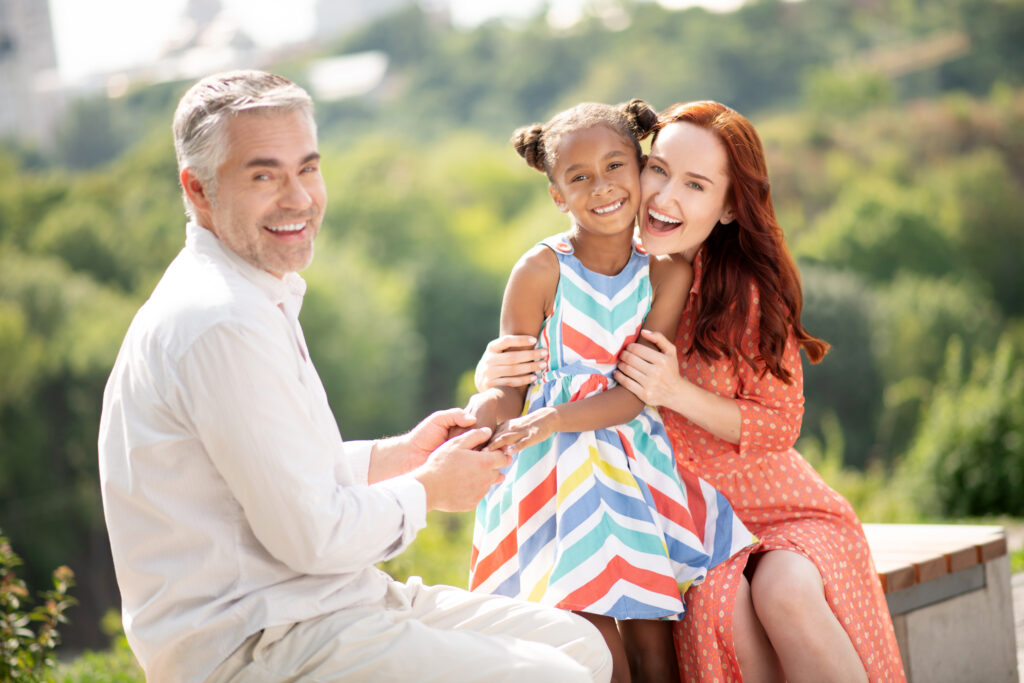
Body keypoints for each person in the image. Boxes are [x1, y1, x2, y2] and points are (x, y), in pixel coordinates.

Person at [97, 70, 613, 683]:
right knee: (556, 677)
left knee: (581, 646)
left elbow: (277, 475)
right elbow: (312, 537)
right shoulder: (221, 320)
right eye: (264, 175)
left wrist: (396, 456)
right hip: (258, 643)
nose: (298, 198)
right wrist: (429, 489)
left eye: (307, 169)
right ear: (199, 189)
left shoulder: (253, 293)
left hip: (326, 604)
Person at [474, 100, 906, 682]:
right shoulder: (614, 270)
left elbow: (779, 425)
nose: (663, 196)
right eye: (660, 169)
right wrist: (493, 378)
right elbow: (537, 357)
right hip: (670, 518)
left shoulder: (740, 292)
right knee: (713, 604)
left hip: (773, 510)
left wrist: (674, 391)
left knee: (782, 591)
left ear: (729, 207)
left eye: (696, 185)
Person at [459, 100, 755, 683]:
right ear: (556, 194)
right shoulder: (540, 272)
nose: (601, 187)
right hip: (553, 483)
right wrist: (480, 411)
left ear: (642, 167)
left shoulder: (666, 274)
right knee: (597, 655)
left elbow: (634, 395)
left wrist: (554, 419)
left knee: (655, 652)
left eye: (616, 166)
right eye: (578, 177)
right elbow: (510, 387)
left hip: (632, 474)